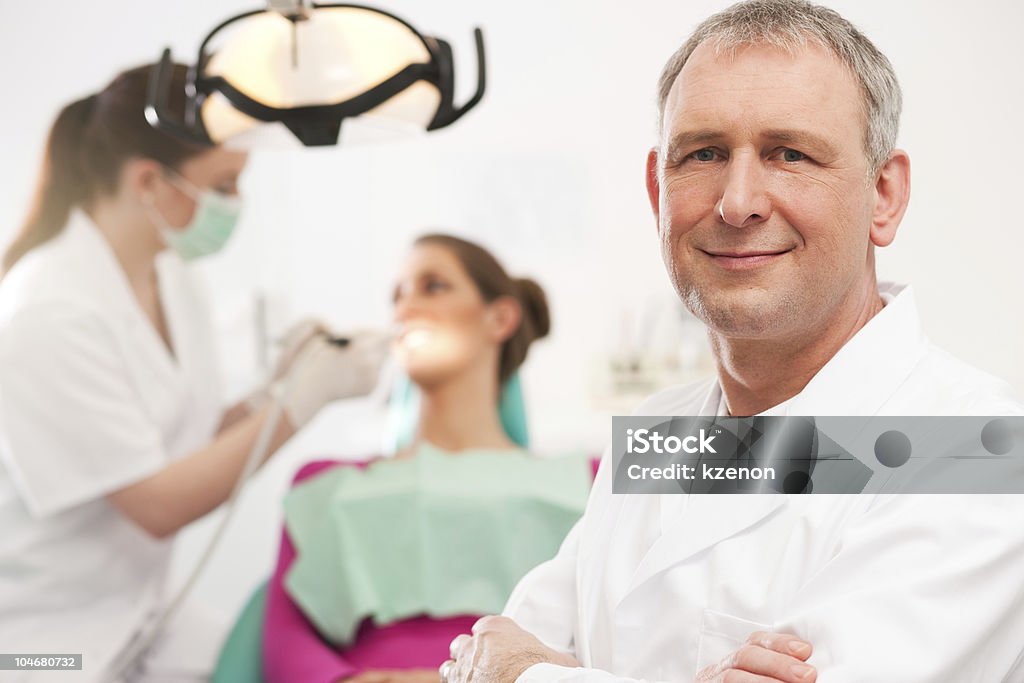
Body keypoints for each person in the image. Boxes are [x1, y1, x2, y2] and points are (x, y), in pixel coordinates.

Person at [442, 1, 1024, 682]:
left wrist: (530, 675)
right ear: (659, 193)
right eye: (705, 154)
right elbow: (491, 648)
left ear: (885, 195)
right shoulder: (662, 428)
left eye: (790, 154)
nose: (737, 201)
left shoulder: (981, 449)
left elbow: (505, 666)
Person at [0, 64, 389, 683]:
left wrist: (277, 389)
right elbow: (157, 502)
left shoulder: (170, 276)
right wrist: (303, 402)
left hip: (139, 615)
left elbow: (187, 434)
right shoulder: (46, 312)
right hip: (38, 641)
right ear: (149, 182)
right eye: (225, 185)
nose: (235, 205)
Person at [261, 234, 598, 683]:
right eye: (396, 296)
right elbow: (285, 638)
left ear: (500, 318)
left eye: (432, 286)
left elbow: (725, 450)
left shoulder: (594, 475)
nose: (403, 310)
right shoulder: (324, 481)